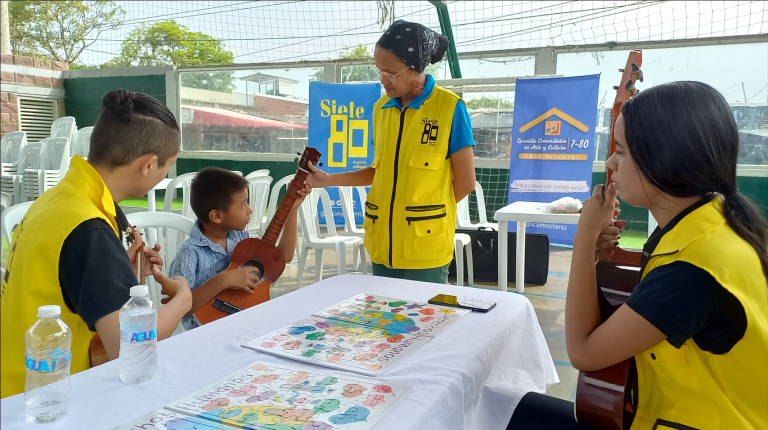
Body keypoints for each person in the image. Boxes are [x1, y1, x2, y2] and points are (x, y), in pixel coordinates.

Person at [508, 82, 768, 429]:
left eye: (623, 151)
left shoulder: (691, 273)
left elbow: (584, 352)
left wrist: (584, 238)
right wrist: (599, 255)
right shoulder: (714, 223)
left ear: (666, 161)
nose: (610, 162)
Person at [0, 89, 193, 398]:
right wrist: (183, 302)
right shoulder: (90, 229)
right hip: (48, 399)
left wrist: (121, 279)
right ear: (147, 165)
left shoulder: (56, 199)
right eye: (167, 166)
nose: (164, 174)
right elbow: (128, 349)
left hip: (14, 379)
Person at [308, 20, 478, 284]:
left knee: (424, 322)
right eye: (379, 70)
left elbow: (466, 183)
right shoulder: (381, 109)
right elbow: (380, 172)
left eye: (391, 73)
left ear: (416, 69)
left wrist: (425, 213)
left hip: (424, 248)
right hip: (382, 244)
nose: (383, 80)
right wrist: (328, 179)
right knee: (385, 318)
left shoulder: (450, 108)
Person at [168, 167, 310, 330]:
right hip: (205, 333)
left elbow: (283, 256)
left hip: (248, 322)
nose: (250, 210)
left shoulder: (242, 238)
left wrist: (292, 209)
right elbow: (178, 309)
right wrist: (223, 280)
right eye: (243, 205)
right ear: (217, 216)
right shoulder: (189, 253)